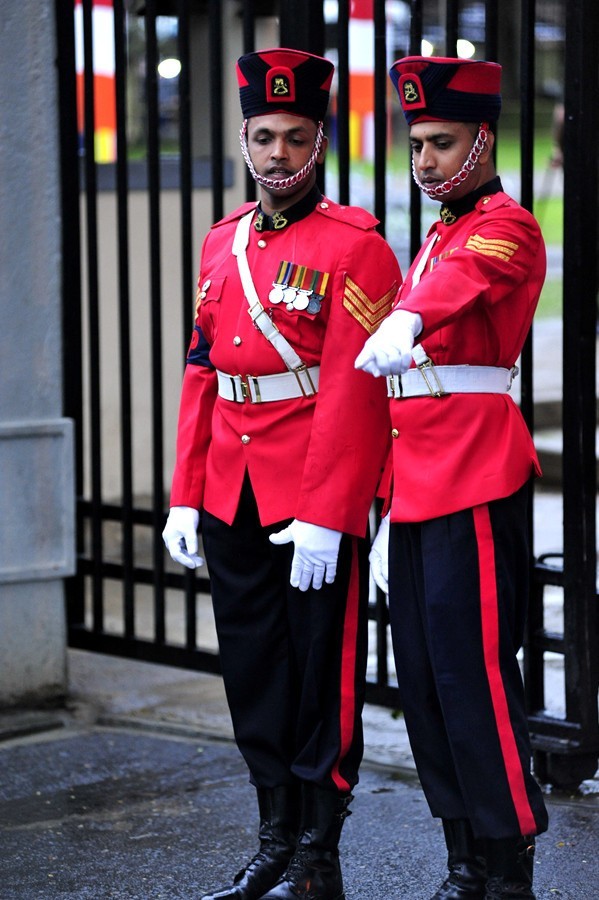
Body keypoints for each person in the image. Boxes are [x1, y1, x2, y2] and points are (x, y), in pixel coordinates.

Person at [162, 47, 402, 900]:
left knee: (318, 672)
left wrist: (334, 510)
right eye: (262, 137)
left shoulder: (356, 246)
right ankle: (272, 831)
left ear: (319, 143)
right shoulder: (220, 242)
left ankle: (317, 849)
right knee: (254, 666)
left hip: (310, 492)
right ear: (242, 139)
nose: (275, 154)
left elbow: (354, 388)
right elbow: (202, 369)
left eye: (293, 138)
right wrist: (184, 493)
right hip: (232, 484)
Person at [355, 56, 549, 899]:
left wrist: (409, 313)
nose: (424, 161)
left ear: (483, 139)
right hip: (417, 480)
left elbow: (475, 280)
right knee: (425, 678)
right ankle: (462, 858)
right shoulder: (438, 232)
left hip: (472, 472)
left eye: (441, 143)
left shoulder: (505, 225)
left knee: (472, 671)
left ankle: (507, 861)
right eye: (417, 145)